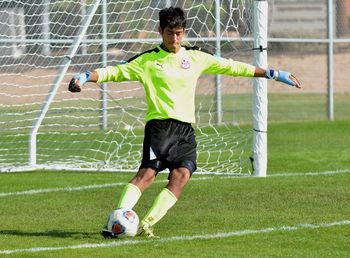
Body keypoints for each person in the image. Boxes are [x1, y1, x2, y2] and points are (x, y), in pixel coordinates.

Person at [68, 6, 301, 238]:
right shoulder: (148, 60)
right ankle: (118, 219)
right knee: (147, 175)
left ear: (184, 31)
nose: (175, 38)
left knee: (182, 176)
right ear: (160, 30)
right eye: (170, 33)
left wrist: (273, 73)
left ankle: (146, 224)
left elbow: (232, 66)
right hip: (160, 127)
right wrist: (85, 77)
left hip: (185, 130)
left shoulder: (195, 57)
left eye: (179, 33)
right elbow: (114, 72)